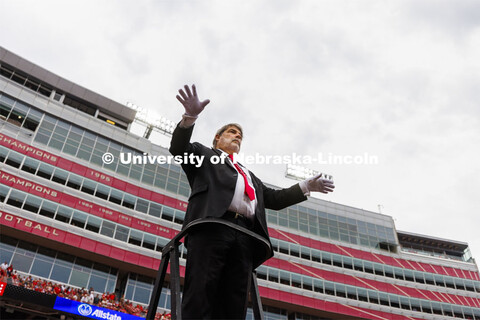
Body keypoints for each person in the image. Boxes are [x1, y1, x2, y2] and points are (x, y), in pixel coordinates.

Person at [170, 84, 335, 319]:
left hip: (246, 237)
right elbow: (179, 149)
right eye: (231, 132)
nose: (237, 136)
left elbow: (274, 199)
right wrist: (190, 117)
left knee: (234, 302)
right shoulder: (204, 155)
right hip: (213, 227)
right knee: (201, 292)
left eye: (240, 135)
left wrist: (306, 186)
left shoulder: (248, 175)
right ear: (217, 138)